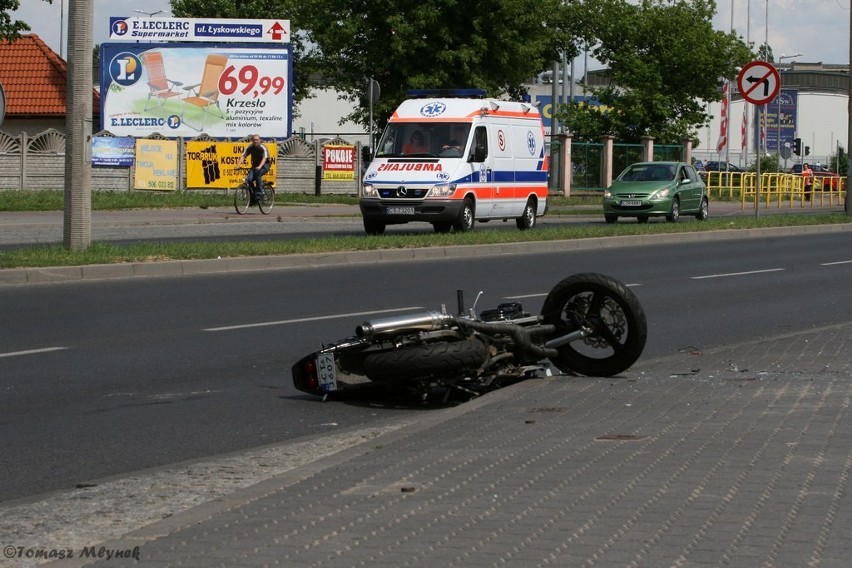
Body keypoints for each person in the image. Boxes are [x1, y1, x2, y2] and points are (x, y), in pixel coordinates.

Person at [238, 134, 270, 202]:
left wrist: (259, 166)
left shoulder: (263, 147)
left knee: (258, 174)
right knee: (249, 180)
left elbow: (264, 158)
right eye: (254, 140)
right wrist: (238, 165)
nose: (255, 141)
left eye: (257, 140)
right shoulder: (250, 147)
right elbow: (243, 156)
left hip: (265, 166)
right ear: (252, 140)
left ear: (259, 140)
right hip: (255, 166)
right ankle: (252, 198)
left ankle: (259, 194)